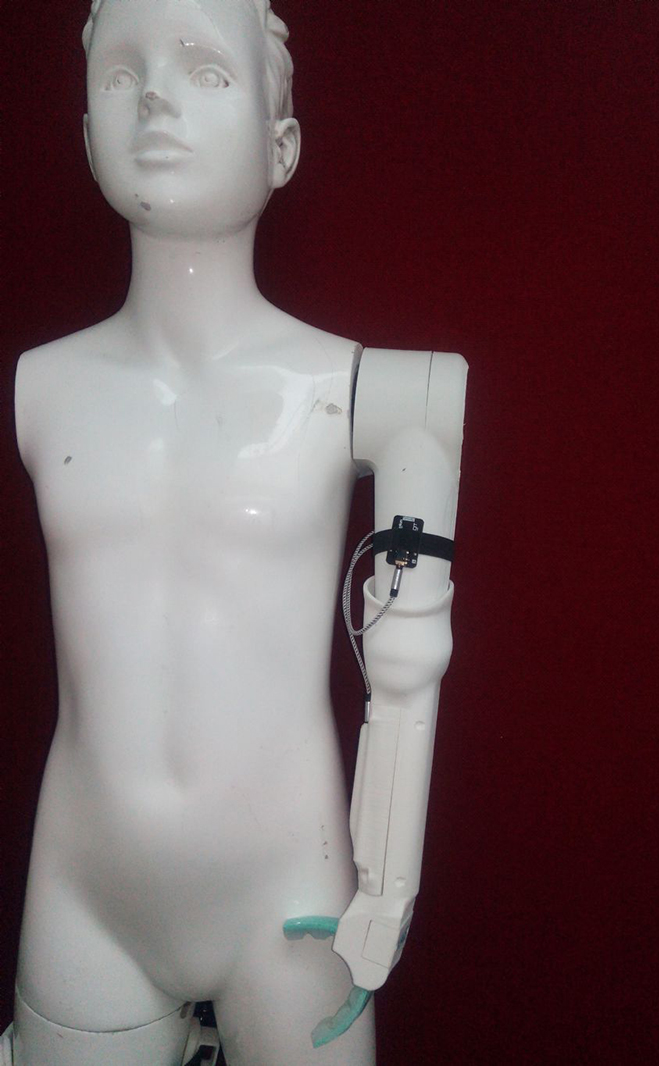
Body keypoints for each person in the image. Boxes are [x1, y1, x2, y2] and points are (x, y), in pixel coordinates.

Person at [6, 3, 464, 1063]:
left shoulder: (364, 392)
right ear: (85, 132)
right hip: (86, 893)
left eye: (206, 72)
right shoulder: (41, 387)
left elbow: (410, 662)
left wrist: (387, 887)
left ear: (281, 144)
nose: (155, 100)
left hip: (289, 900)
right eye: (121, 75)